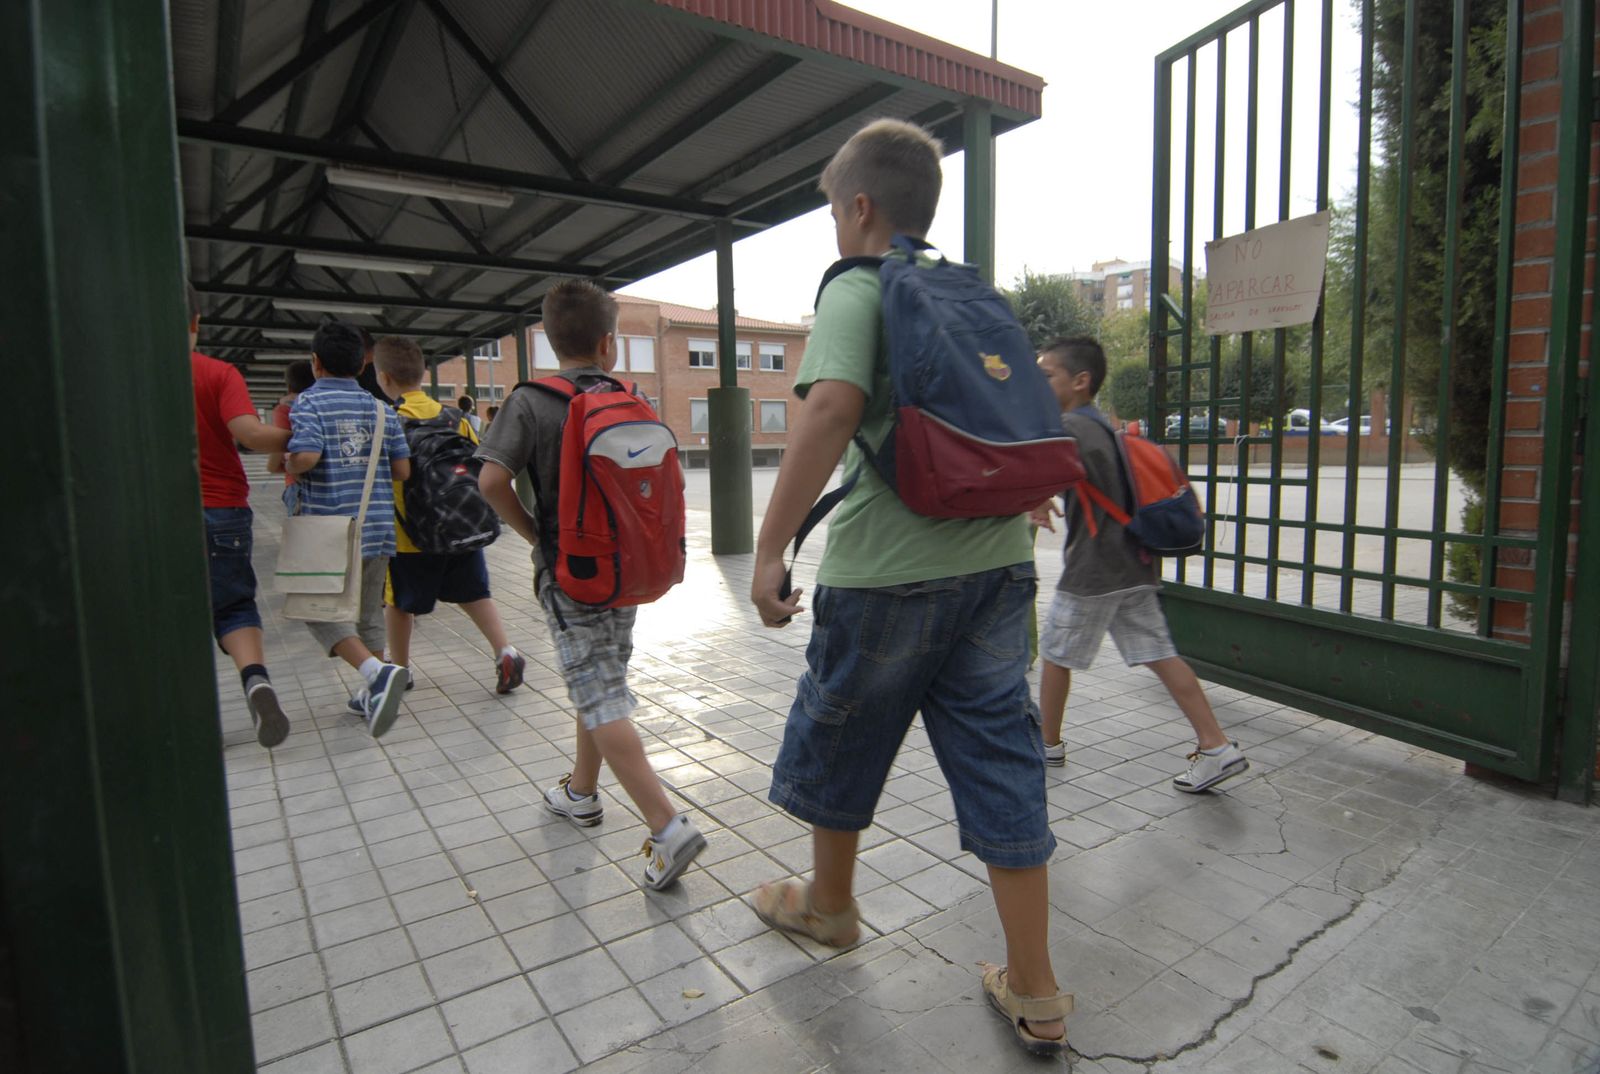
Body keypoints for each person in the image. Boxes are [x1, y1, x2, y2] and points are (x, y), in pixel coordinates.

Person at [747, 119, 1071, 1056]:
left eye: (829, 210)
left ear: (857, 207)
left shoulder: (860, 284)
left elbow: (830, 407)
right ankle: (1038, 990)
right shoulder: (968, 291)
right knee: (1002, 763)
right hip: (998, 569)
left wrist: (772, 550)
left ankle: (832, 907)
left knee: (842, 741)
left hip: (886, 576)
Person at [477, 279, 706, 892]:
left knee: (598, 692)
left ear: (549, 342)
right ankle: (582, 792)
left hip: (572, 573)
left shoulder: (528, 401)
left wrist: (535, 536)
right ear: (609, 344)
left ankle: (667, 826)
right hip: (628, 571)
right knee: (602, 677)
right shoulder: (633, 397)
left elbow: (491, 482)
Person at [1032, 337, 1248, 792]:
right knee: (1160, 654)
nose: (1039, 380)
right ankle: (1216, 746)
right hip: (1134, 564)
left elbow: (1035, 466)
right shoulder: (1103, 428)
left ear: (1080, 380)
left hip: (1093, 571)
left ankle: (1045, 744)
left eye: (1046, 374)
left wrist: (1032, 499)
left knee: (1055, 653)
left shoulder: (1070, 427)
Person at [372, 336, 526, 694]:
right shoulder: (456, 418)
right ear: (424, 372)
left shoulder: (389, 421)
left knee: (398, 604)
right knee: (475, 594)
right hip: (461, 527)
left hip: (410, 537)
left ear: (383, 378)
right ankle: (505, 651)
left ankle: (401, 669)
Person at [283, 321, 413, 738]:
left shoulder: (308, 403)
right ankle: (370, 693)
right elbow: (402, 469)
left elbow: (305, 455)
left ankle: (375, 673)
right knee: (367, 613)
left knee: (311, 605)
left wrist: (288, 461)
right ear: (362, 367)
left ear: (315, 362)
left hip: (327, 526)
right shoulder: (381, 409)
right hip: (376, 526)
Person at [187, 283, 294, 748]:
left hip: (153, 516)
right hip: (223, 508)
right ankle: (255, 679)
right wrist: (296, 435)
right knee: (233, 605)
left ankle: (189, 709)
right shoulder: (217, 373)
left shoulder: (126, 375)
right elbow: (250, 435)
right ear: (196, 322)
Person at [267, 359, 315, 513]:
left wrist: (275, 466)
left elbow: (279, 448)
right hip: (329, 481)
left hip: (299, 485)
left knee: (302, 534)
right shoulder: (323, 405)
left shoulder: (285, 409)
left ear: (288, 386)